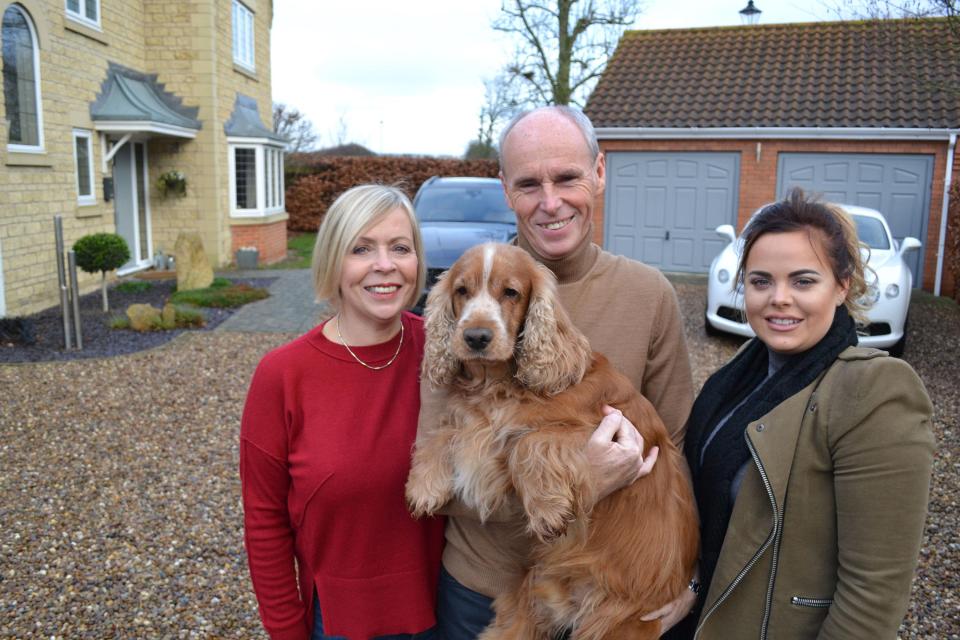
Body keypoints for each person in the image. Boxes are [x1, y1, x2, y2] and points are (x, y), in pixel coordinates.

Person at [428, 106, 697, 638]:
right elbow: (435, 482)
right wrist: (580, 482)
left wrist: (691, 574)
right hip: (482, 590)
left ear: (599, 173)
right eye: (529, 184)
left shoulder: (649, 294)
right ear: (506, 190)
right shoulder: (459, 303)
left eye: (567, 177)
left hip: (609, 587)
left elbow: (678, 447)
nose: (550, 202)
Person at [679, 188, 934, 638]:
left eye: (802, 281)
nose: (778, 298)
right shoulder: (743, 371)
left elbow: (872, 596)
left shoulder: (875, 391)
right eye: (761, 281)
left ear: (842, 286)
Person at [240, 185, 445, 640]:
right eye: (361, 248)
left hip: (451, 610)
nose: (385, 265)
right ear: (333, 261)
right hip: (340, 623)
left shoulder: (446, 352)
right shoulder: (284, 375)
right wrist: (287, 631)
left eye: (400, 248)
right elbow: (264, 520)